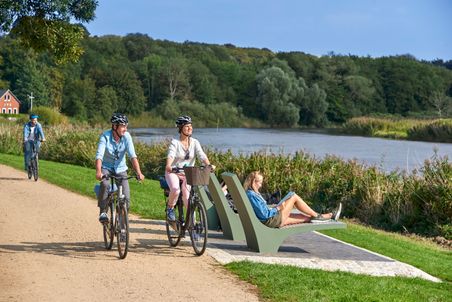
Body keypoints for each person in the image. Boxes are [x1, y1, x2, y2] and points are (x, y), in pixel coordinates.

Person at [243, 171, 342, 228]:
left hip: (270, 219)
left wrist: (275, 208)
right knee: (293, 196)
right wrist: (277, 208)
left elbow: (262, 211)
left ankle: (330, 216)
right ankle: (317, 215)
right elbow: (264, 215)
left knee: (303, 217)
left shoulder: (251, 193)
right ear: (253, 182)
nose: (260, 185)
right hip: (271, 220)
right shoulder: (252, 195)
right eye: (260, 183)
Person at [95, 113, 145, 223]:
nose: (125, 129)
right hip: (106, 167)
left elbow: (133, 156)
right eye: (123, 126)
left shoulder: (127, 137)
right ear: (114, 126)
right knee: (105, 184)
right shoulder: (105, 137)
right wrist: (99, 172)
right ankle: (103, 211)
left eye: (126, 126)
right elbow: (99, 156)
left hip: (121, 169)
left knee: (126, 199)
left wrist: (139, 173)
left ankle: (122, 226)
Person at [165, 115, 212, 221]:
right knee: (176, 190)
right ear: (181, 128)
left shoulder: (195, 142)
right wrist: (168, 165)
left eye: (191, 126)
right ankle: (170, 208)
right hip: (174, 172)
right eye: (187, 126)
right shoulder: (175, 142)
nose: (190, 128)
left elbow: (202, 155)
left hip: (188, 173)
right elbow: (171, 155)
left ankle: (193, 225)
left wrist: (208, 165)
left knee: (187, 197)